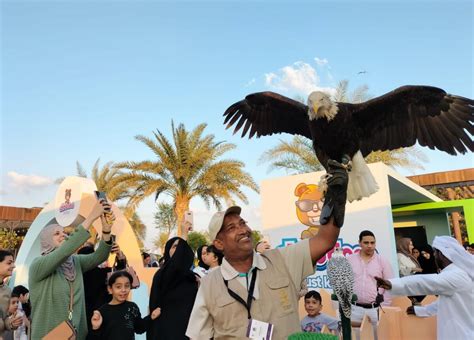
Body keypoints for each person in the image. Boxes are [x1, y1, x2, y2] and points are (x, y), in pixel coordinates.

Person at [186, 160, 349, 339]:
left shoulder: (282, 260)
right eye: (231, 228)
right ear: (218, 244)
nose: (242, 230)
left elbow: (325, 240)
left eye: (242, 223)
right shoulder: (209, 284)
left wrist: (337, 196)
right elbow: (198, 336)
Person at [28, 198, 115, 339]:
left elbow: (100, 256)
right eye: (57, 233)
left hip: (75, 334)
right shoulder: (38, 265)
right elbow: (64, 251)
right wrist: (92, 216)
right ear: (46, 240)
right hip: (48, 335)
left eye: (64, 232)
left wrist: (106, 230)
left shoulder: (75, 262)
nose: (63, 235)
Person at [376, 235, 474, 340]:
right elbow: (443, 303)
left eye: (435, 253)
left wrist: (393, 284)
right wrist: (422, 311)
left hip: (461, 335)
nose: (434, 256)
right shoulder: (458, 272)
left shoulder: (455, 275)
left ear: (441, 254)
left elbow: (426, 282)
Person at [147, 222, 198, 340]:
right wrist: (184, 235)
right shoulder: (163, 273)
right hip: (167, 331)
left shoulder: (192, 277)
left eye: (180, 247)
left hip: (188, 331)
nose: (179, 249)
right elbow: (174, 267)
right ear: (167, 251)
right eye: (175, 246)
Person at [347, 230, 394, 340]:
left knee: (377, 337)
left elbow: (390, 285)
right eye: (366, 243)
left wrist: (384, 308)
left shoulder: (382, 261)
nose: (369, 246)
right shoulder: (349, 260)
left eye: (372, 243)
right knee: (355, 337)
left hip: (376, 309)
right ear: (359, 243)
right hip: (354, 309)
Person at [90, 271, 161, 339]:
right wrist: (95, 328)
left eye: (127, 286)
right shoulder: (102, 312)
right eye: (118, 287)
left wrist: (151, 317)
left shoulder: (132, 307)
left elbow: (139, 328)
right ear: (110, 289)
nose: (123, 290)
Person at [78, 242, 127, 339]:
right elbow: (119, 272)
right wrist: (119, 255)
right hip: (100, 316)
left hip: (81, 318)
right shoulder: (101, 274)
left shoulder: (74, 275)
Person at [0, 250, 23, 337]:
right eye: (9, 263)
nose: (14, 266)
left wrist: (11, 323)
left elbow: (3, 318)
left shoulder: (7, 290)